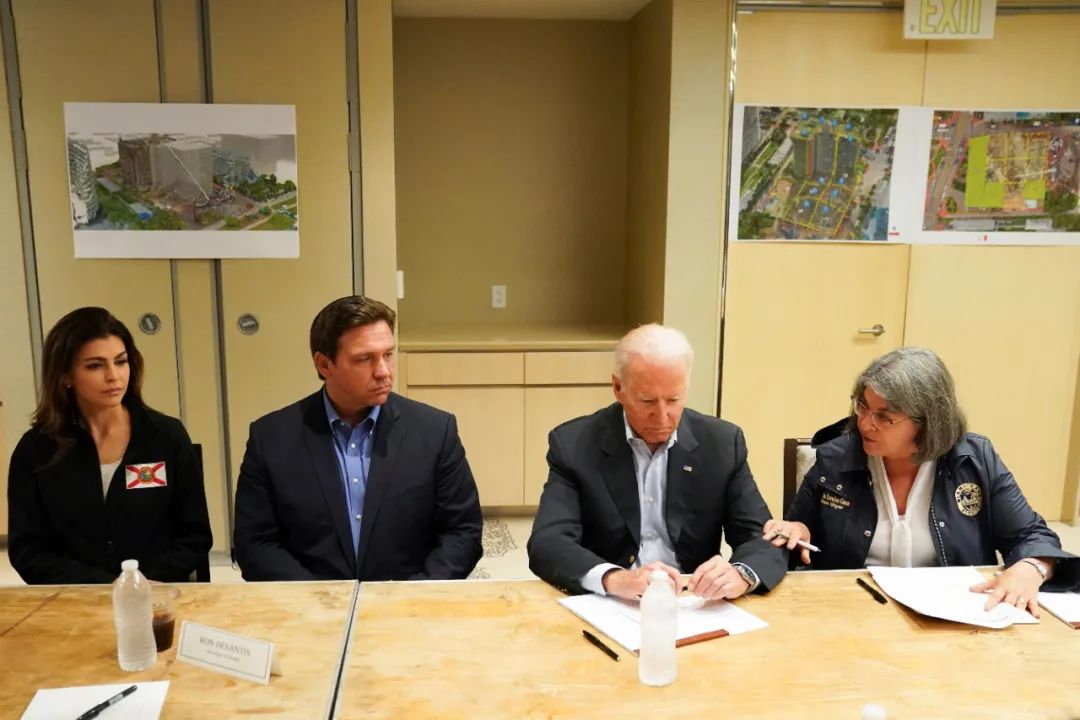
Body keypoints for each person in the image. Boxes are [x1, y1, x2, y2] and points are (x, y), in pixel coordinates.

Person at [765, 347, 1078, 616]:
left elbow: (1030, 535)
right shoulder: (837, 458)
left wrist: (1033, 567)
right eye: (863, 407)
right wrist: (796, 530)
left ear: (928, 422)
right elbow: (799, 533)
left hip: (955, 616)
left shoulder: (974, 460)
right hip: (853, 611)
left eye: (884, 417)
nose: (865, 424)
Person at [528, 324, 786, 600]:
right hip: (611, 600)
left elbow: (765, 536)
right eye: (648, 401)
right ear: (618, 388)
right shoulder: (574, 444)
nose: (662, 416)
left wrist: (741, 574)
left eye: (674, 399)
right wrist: (613, 578)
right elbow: (548, 542)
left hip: (693, 600)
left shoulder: (722, 443)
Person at [233, 295, 482, 581]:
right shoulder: (272, 438)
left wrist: (413, 595)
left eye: (388, 355)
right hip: (310, 602)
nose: (384, 372)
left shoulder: (434, 431)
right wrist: (319, 598)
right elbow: (255, 544)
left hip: (408, 599)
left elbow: (462, 532)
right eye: (365, 359)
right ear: (324, 365)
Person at [7, 307, 212, 584]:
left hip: (156, 592)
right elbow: (28, 551)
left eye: (121, 361)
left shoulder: (166, 436)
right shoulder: (35, 450)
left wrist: (139, 584)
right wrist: (104, 587)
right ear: (65, 376)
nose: (113, 376)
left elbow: (195, 535)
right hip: (76, 597)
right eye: (95, 365)